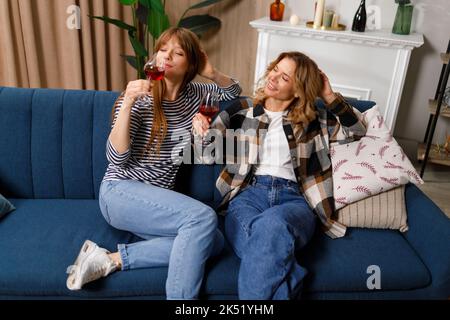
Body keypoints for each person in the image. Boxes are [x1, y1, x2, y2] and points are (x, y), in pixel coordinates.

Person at [65, 27, 242, 300]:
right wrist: (126, 104)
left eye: (179, 52)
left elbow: (235, 94)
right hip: (120, 191)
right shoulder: (140, 96)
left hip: (156, 202)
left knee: (214, 242)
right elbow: (116, 159)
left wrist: (212, 73)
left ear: (190, 63)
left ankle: (110, 260)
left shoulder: (197, 94)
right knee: (204, 219)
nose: (167, 56)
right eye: (163, 49)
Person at [192, 51, 366, 299]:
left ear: (298, 90)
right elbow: (206, 155)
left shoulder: (315, 120)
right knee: (267, 242)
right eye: (275, 69)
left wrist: (328, 95)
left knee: (272, 226)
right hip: (247, 196)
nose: (273, 77)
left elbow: (357, 131)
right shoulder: (242, 110)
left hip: (295, 200)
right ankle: (291, 274)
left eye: (284, 77)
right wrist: (200, 131)